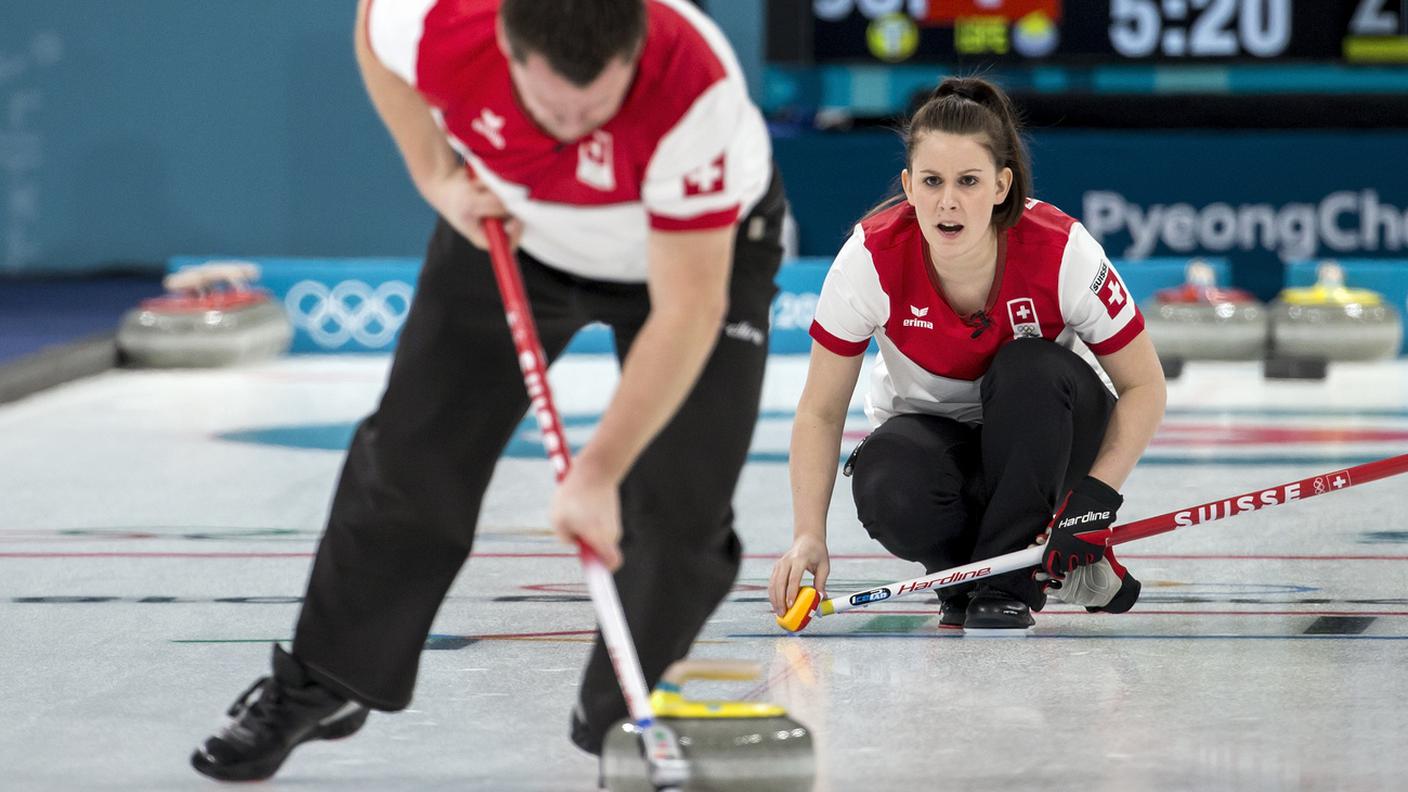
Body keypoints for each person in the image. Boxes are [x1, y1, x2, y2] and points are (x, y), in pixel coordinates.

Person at [191, 0, 786, 781]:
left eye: (595, 107)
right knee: (411, 457)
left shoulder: (693, 84)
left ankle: (618, 722)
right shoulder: (440, 20)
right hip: (511, 228)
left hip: (685, 261)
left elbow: (688, 309)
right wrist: (437, 178)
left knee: (680, 509)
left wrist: (596, 473)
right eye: (549, 107)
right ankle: (327, 684)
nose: (572, 128)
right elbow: (374, 34)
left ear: (635, 48)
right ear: (506, 44)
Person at [768, 76, 1166, 633]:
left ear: (1002, 186)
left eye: (969, 181)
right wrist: (809, 534)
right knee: (886, 483)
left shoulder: (1063, 249)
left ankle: (1006, 585)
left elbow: (1146, 386)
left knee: (1027, 365)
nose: (948, 201)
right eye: (931, 181)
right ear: (908, 187)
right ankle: (972, 576)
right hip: (942, 449)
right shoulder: (869, 257)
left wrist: (1096, 498)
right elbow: (820, 411)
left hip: (1050, 439)